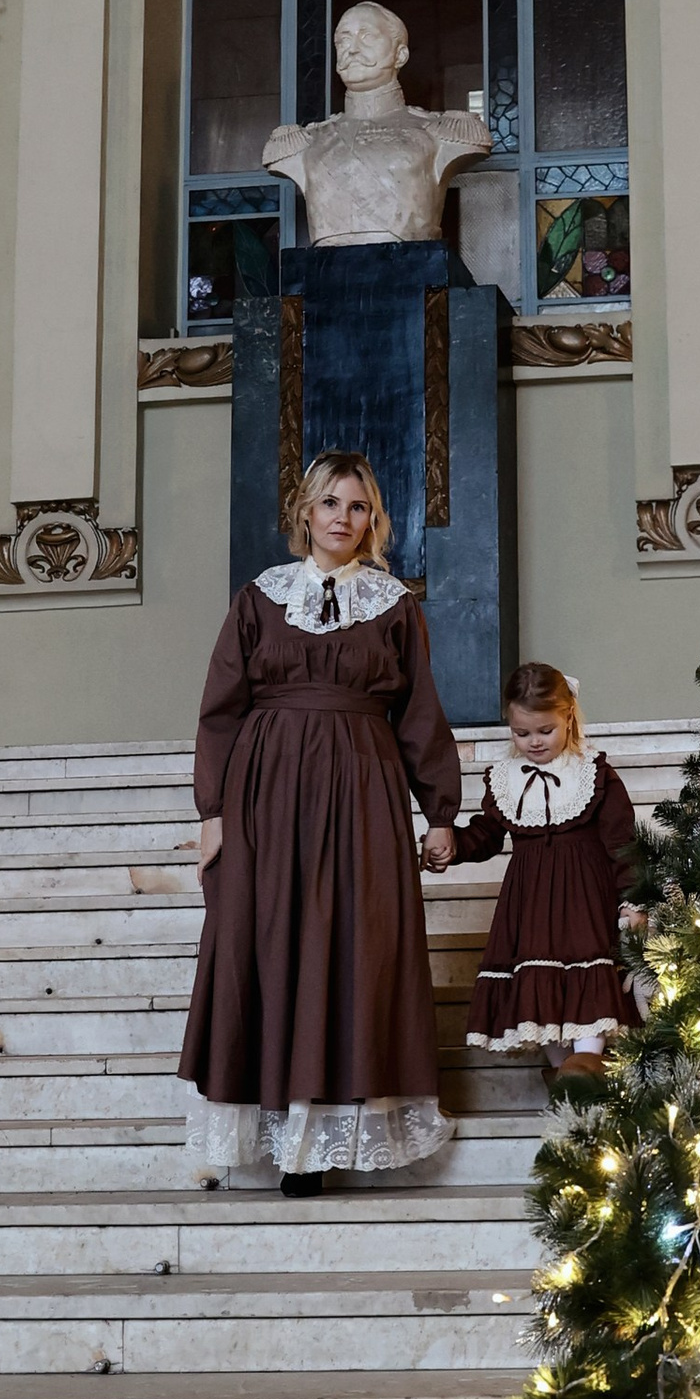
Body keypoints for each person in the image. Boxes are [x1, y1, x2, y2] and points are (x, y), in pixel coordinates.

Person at [179, 450, 460, 1188]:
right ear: (305, 512)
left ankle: (323, 1143)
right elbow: (219, 712)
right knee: (266, 946)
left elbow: (422, 713)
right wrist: (212, 812)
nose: (344, 518)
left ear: (375, 520)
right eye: (331, 503)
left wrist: (439, 812)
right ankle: (276, 1136)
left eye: (359, 506)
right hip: (265, 796)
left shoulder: (395, 605)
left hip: (363, 793)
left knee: (353, 949)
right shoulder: (258, 599)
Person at [451, 660, 643, 1066]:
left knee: (587, 975)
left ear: (568, 717)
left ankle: (587, 1065)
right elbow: (486, 833)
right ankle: (563, 1078)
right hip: (531, 902)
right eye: (521, 733)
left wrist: (632, 899)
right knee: (538, 982)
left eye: (545, 731)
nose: (534, 742)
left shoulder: (594, 773)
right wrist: (450, 846)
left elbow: (623, 841)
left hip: (585, 899)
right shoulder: (506, 778)